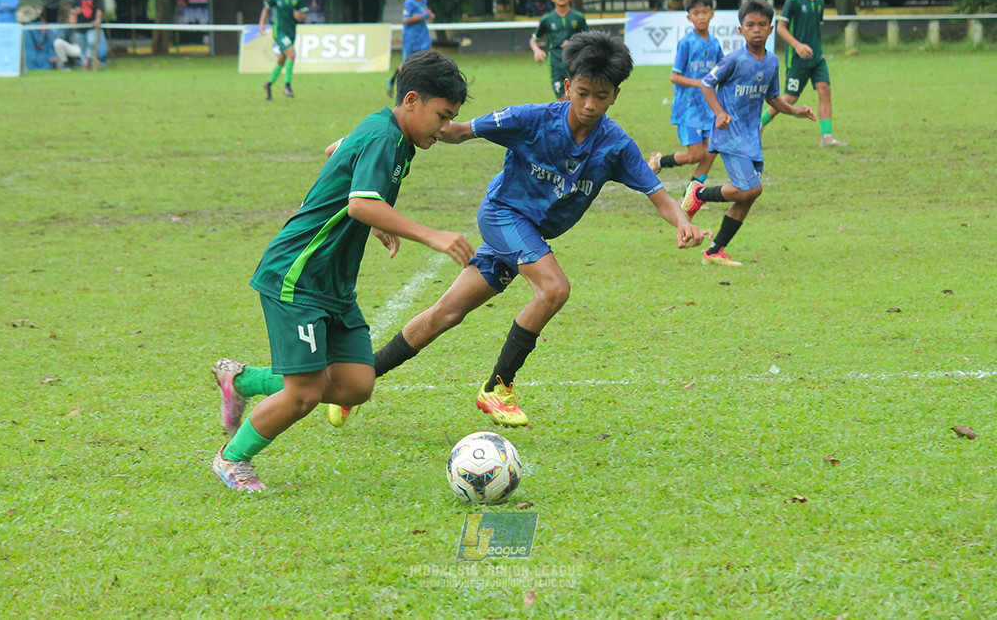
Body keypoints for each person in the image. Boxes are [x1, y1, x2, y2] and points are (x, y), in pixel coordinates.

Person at [211, 31, 709, 432]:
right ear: (566, 87)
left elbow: (656, 192)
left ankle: (294, 385)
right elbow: (453, 129)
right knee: (554, 288)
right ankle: (498, 387)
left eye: (602, 97)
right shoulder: (532, 119)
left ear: (616, 95)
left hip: (527, 235)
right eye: (582, 93)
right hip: (503, 217)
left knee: (443, 315)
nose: (591, 105)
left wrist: (683, 221)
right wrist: (356, 143)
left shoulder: (616, 145)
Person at [209, 50, 473, 492]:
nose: (445, 128)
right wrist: (428, 233)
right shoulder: (385, 138)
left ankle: (241, 379)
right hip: (299, 276)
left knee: (356, 383)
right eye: (441, 116)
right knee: (305, 393)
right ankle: (231, 458)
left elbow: (338, 152)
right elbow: (359, 200)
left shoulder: (390, 133)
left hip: (333, 283)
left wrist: (373, 218)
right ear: (411, 100)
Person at [681, 0, 815, 267]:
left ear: (771, 29)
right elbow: (707, 85)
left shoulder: (772, 62)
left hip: (752, 137)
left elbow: (773, 98)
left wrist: (795, 111)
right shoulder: (734, 59)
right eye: (750, 25)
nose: (756, 29)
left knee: (749, 195)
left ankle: (714, 251)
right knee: (750, 188)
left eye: (762, 25)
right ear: (740, 31)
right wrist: (719, 113)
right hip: (729, 135)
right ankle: (699, 194)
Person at [760, 0, 846, 148]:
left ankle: (827, 138)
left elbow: (815, 29)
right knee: (790, 98)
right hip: (797, 60)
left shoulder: (821, 2)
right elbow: (781, 28)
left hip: (817, 58)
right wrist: (797, 46)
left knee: (825, 90)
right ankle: (759, 125)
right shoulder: (794, 0)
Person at [647, 0, 724, 199]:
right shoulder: (686, 43)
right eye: (696, 13)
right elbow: (674, 76)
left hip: (709, 108)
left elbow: (721, 70)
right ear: (689, 17)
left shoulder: (715, 43)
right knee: (695, 155)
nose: (701, 17)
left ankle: (691, 196)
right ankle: (659, 162)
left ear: (712, 14)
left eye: (704, 12)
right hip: (688, 108)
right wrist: (700, 83)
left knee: (711, 153)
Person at [530, 0, 588, 101]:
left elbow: (588, 40)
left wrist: (574, 43)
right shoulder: (547, 19)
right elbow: (534, 39)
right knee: (563, 101)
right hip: (556, 64)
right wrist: (537, 51)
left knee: (574, 100)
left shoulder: (578, 17)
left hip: (575, 64)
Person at [259, 0, 307, 100]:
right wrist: (261, 24)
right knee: (291, 53)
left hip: (291, 31)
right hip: (279, 30)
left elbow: (303, 16)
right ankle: (287, 86)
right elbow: (266, 9)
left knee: (282, 58)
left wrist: (300, 16)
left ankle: (268, 84)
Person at [386, 0, 434, 99]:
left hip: (423, 35)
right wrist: (423, 15)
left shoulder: (424, 1)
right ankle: (392, 82)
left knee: (427, 59)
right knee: (407, 63)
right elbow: (406, 20)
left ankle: (425, 88)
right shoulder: (409, 2)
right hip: (411, 37)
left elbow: (427, 16)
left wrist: (430, 16)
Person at [68, 0, 104, 70]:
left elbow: (99, 10)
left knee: (91, 43)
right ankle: (86, 63)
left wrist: (97, 20)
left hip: (91, 26)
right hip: (80, 28)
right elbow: (72, 12)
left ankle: (88, 61)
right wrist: (75, 13)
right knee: (82, 47)